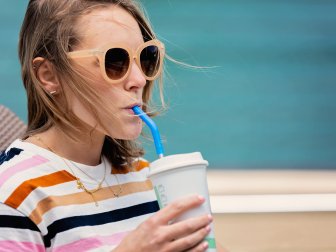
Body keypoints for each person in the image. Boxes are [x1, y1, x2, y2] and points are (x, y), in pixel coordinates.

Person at [0, 0, 226, 251]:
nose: (139, 79)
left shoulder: (145, 178)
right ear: (49, 75)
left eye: (146, 57)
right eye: (115, 61)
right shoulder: (13, 196)